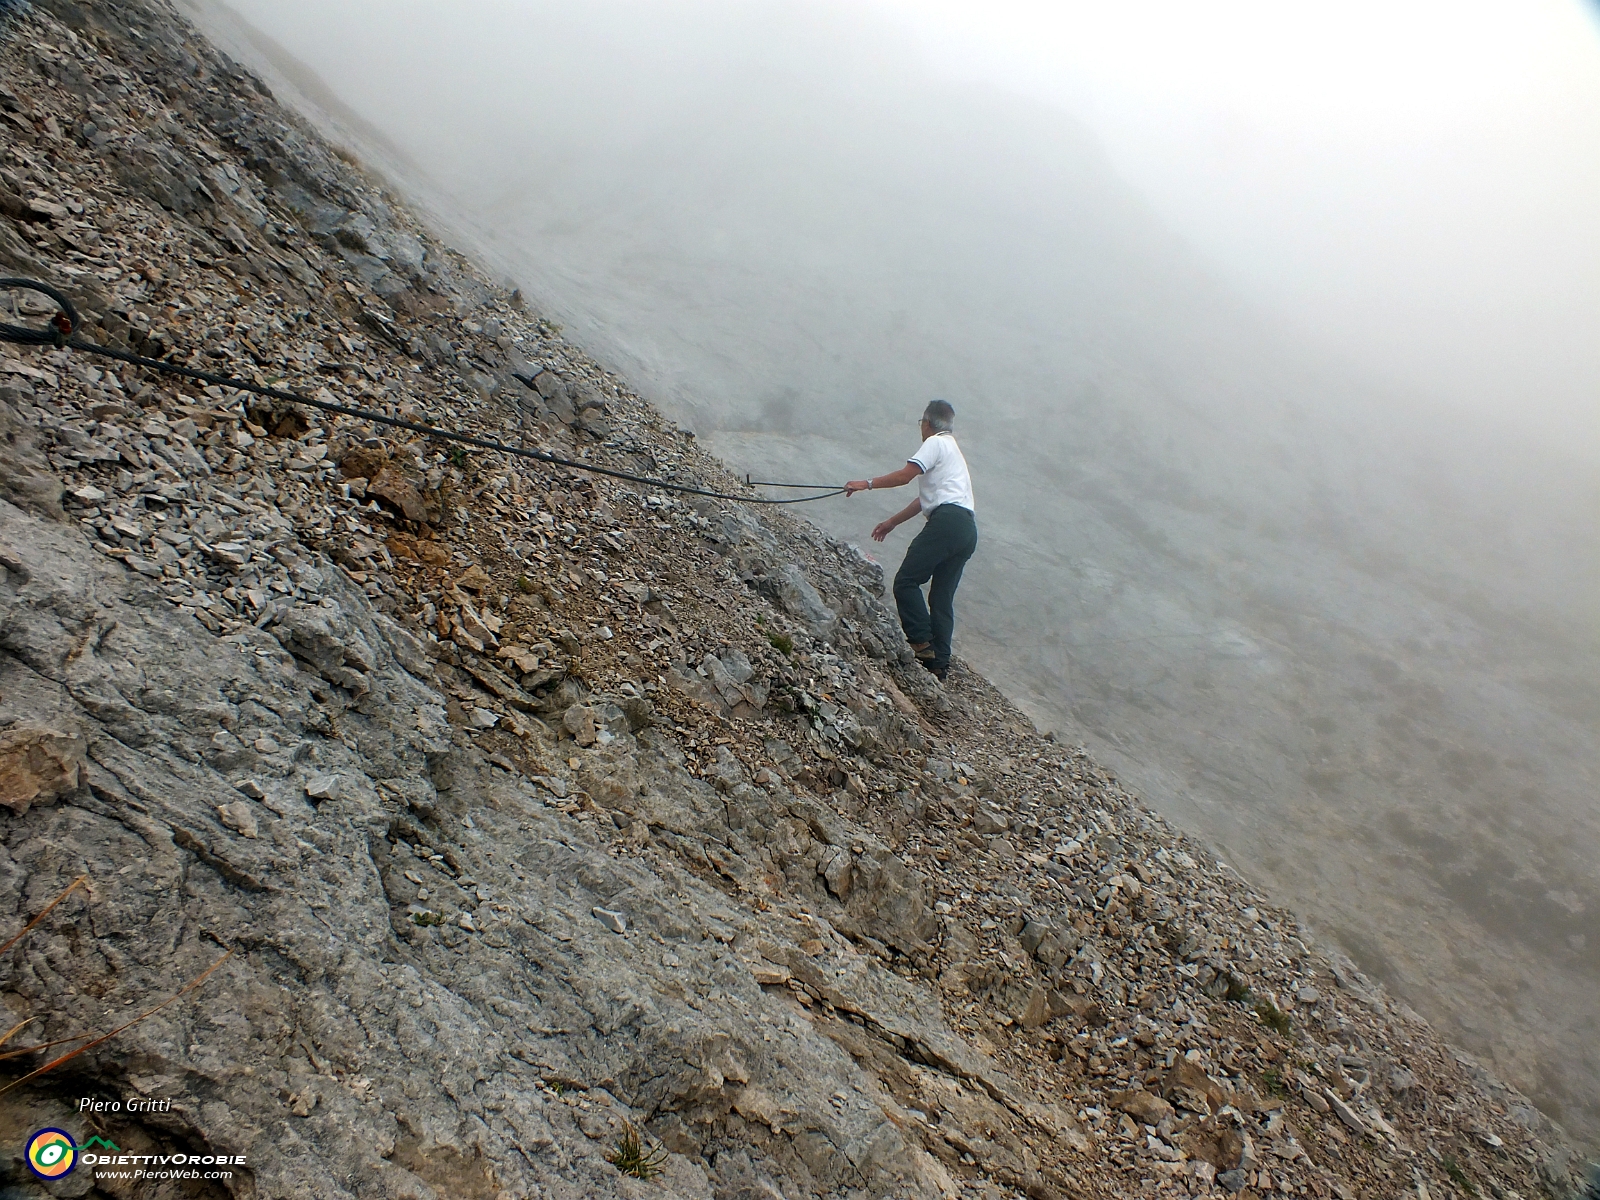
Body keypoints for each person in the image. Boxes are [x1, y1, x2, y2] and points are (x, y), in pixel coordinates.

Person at [845, 400, 977, 682]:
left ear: (927, 423)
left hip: (946, 522)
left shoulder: (934, 443)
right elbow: (925, 499)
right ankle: (939, 666)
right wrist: (892, 522)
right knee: (941, 599)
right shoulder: (954, 452)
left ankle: (920, 643)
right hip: (966, 529)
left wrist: (865, 483)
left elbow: (905, 477)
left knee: (906, 581)